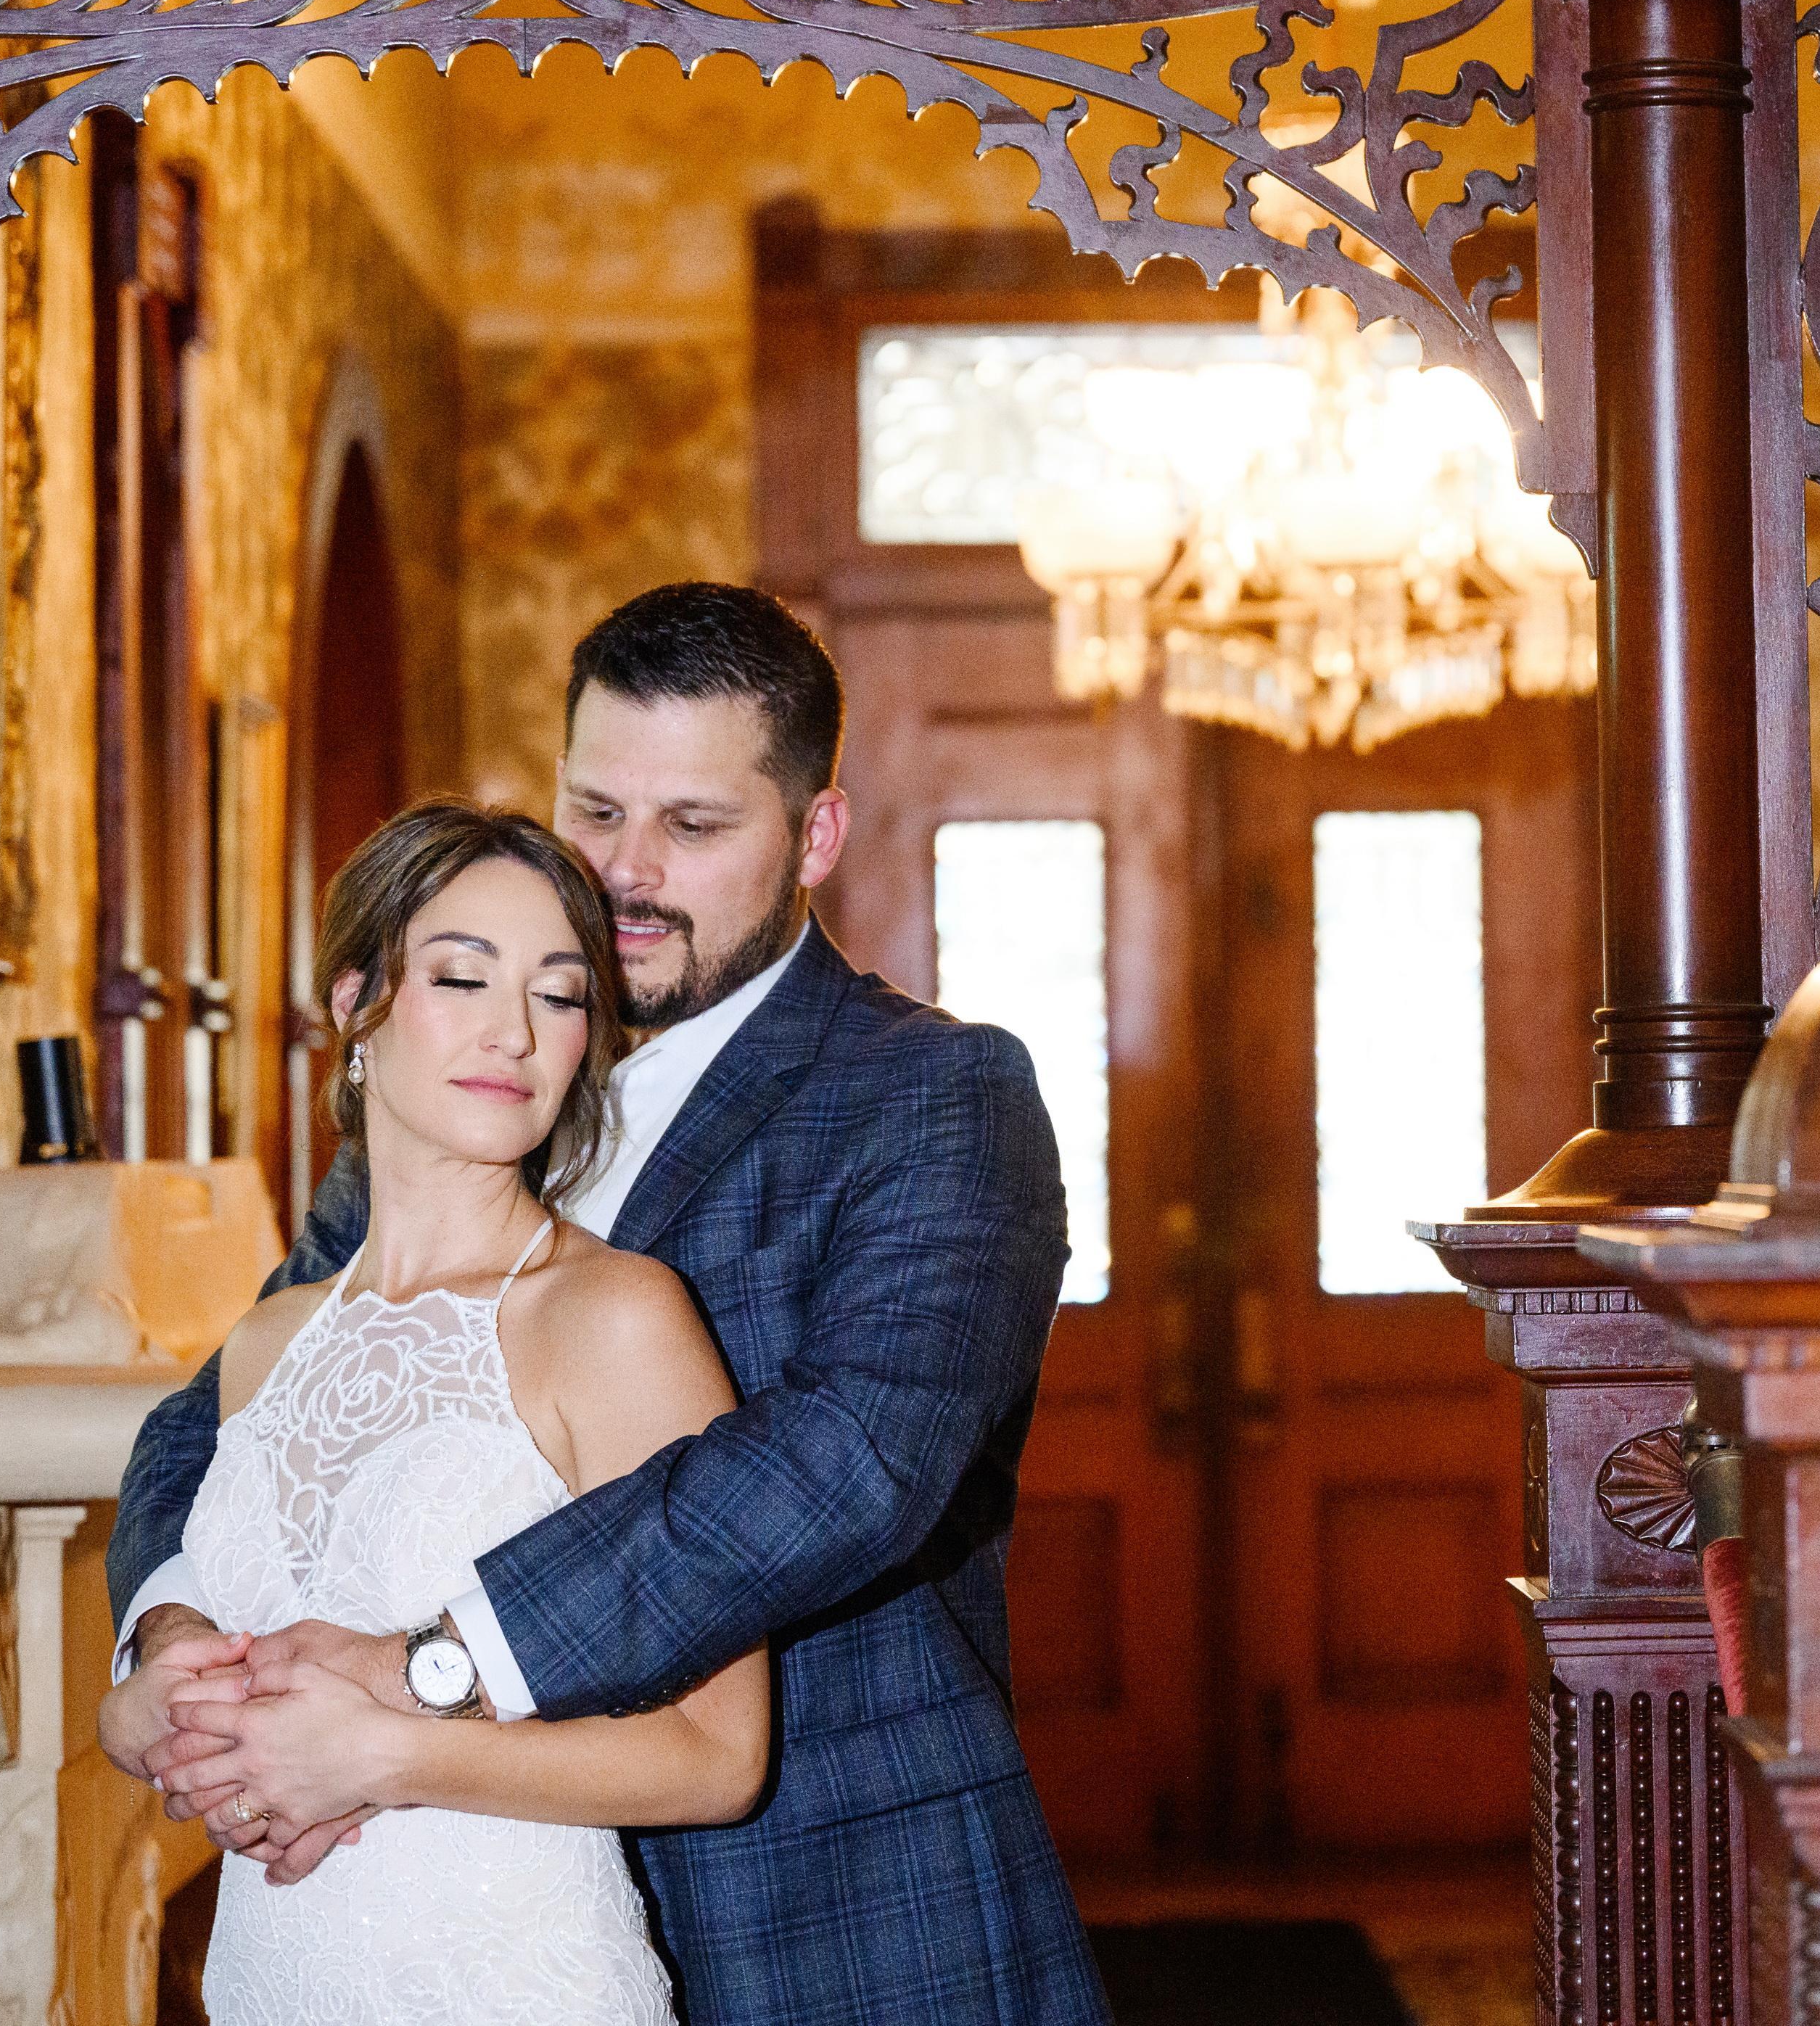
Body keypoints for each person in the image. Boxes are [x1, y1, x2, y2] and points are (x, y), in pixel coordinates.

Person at [102, 582, 1108, 2026]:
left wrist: (429, 1673)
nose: (627, 872)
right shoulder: (452, 1086)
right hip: (443, 1895)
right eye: (595, 812)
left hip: (830, 1904)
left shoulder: (937, 1095)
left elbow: (851, 1466)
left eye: (693, 826)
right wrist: (178, 1643)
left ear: (814, 834)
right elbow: (226, 1411)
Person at [100, 799, 762, 2022]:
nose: (515, 1032)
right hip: (271, 1983)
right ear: (355, 1004)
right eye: (463, 978)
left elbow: (717, 1756)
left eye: (560, 995)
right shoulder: (267, 1342)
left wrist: (386, 1756)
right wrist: (148, 1708)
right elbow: (230, 1664)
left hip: (519, 1985)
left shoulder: (612, 1318)